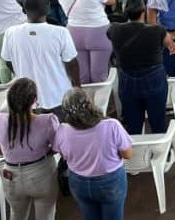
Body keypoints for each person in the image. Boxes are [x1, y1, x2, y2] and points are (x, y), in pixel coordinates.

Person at [55, 88, 131, 220]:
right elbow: (127, 154)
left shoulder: (62, 130)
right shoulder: (111, 125)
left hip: (78, 182)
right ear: (90, 104)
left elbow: (64, 155)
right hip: (110, 181)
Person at [0, 77, 60, 220]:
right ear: (34, 100)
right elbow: (57, 148)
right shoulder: (48, 121)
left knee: (17, 215)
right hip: (42, 175)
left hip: (11, 177)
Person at [109, 0, 175, 134]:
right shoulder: (157, 30)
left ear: (125, 12)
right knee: (158, 124)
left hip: (127, 83)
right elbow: (168, 42)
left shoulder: (114, 29)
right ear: (144, 11)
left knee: (133, 127)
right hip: (154, 81)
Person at [1, 0, 80, 112]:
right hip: (59, 98)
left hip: (28, 100)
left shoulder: (10, 33)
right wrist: (77, 87)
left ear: (23, 10)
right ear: (48, 8)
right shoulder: (61, 33)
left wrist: (22, 73)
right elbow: (72, 64)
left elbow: (8, 62)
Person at [56, 0, 116, 84]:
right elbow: (112, 0)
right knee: (99, 77)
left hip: (74, 35)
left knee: (82, 77)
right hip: (99, 34)